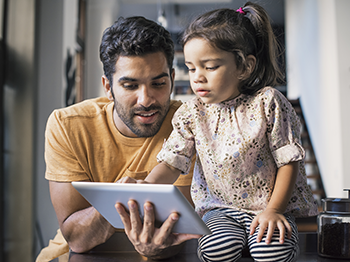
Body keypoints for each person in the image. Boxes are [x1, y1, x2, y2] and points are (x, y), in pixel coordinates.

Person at [121, 3, 319, 262]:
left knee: (271, 252)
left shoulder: (268, 103)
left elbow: (288, 162)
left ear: (245, 67)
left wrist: (274, 210)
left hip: (269, 207)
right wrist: (146, 186)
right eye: (192, 68)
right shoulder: (191, 113)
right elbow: (172, 162)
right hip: (220, 212)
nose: (197, 78)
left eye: (210, 67)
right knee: (216, 251)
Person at [36, 16, 199, 261]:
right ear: (107, 86)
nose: (146, 99)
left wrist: (157, 245)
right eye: (130, 86)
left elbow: (179, 228)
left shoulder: (190, 124)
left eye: (158, 83)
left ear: (173, 80)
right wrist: (119, 200)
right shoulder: (67, 126)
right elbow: (76, 238)